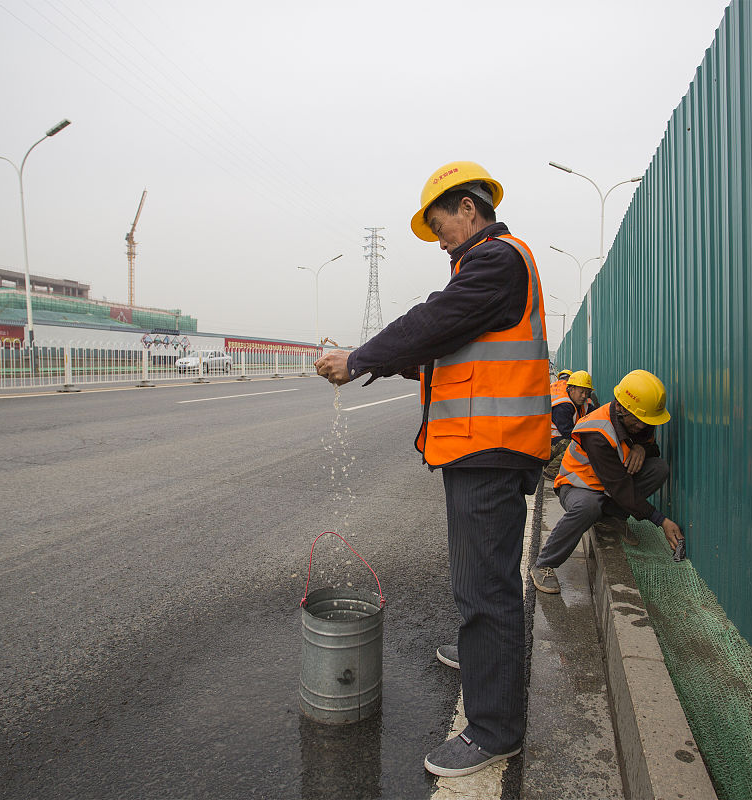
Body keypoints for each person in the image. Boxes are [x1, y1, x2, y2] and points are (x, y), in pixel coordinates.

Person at [314, 161, 550, 778]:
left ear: (468, 208)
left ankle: (494, 731)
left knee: (486, 589)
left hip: (490, 451)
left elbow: (430, 323)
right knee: (484, 581)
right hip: (484, 448)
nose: (437, 235)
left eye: (439, 221)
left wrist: (359, 355)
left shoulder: (496, 261)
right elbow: (440, 353)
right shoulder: (489, 270)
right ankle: (481, 657)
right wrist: (377, 365)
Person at [531, 369, 685, 594]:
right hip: (577, 486)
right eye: (639, 421)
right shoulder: (597, 431)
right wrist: (661, 520)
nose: (643, 427)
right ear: (622, 408)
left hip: (608, 487)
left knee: (658, 468)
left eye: (646, 422)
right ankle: (544, 563)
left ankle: (610, 517)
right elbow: (618, 485)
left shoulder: (639, 421)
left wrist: (642, 448)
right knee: (589, 506)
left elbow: (652, 450)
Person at [543, 370, 597, 481]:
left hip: (554, 442)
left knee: (578, 443)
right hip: (546, 444)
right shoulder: (563, 406)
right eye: (581, 392)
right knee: (574, 445)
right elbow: (568, 432)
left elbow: (597, 413)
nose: (584, 396)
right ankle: (551, 471)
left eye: (587, 393)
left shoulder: (581, 403)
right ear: (571, 389)